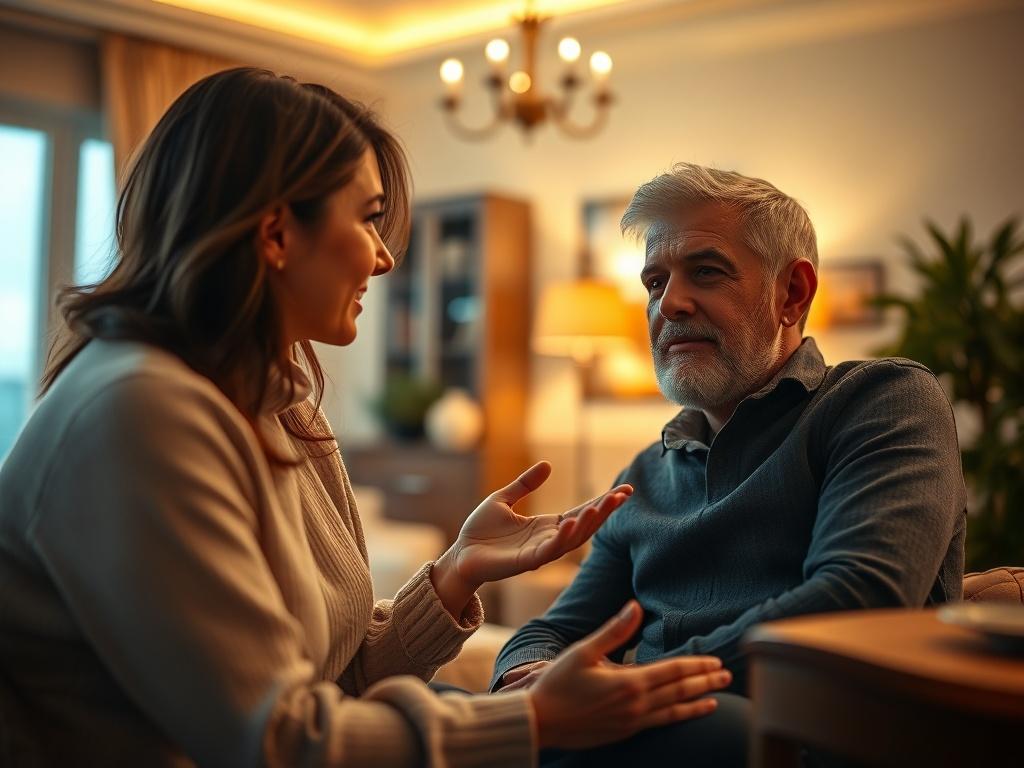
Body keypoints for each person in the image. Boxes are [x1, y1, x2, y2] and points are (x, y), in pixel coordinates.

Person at [0, 70, 734, 767]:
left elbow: (336, 681)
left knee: (699, 734)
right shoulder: (140, 414)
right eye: (369, 218)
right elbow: (278, 743)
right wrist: (534, 720)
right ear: (277, 234)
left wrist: (456, 571)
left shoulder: (280, 408)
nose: (384, 258)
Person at [491, 164, 968, 766]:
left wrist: (631, 686)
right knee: (415, 713)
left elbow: (857, 596)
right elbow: (552, 631)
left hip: (800, 736)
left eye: (707, 272)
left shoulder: (881, 402)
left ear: (791, 294)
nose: (672, 304)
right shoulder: (642, 477)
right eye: (655, 282)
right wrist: (526, 683)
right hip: (659, 737)